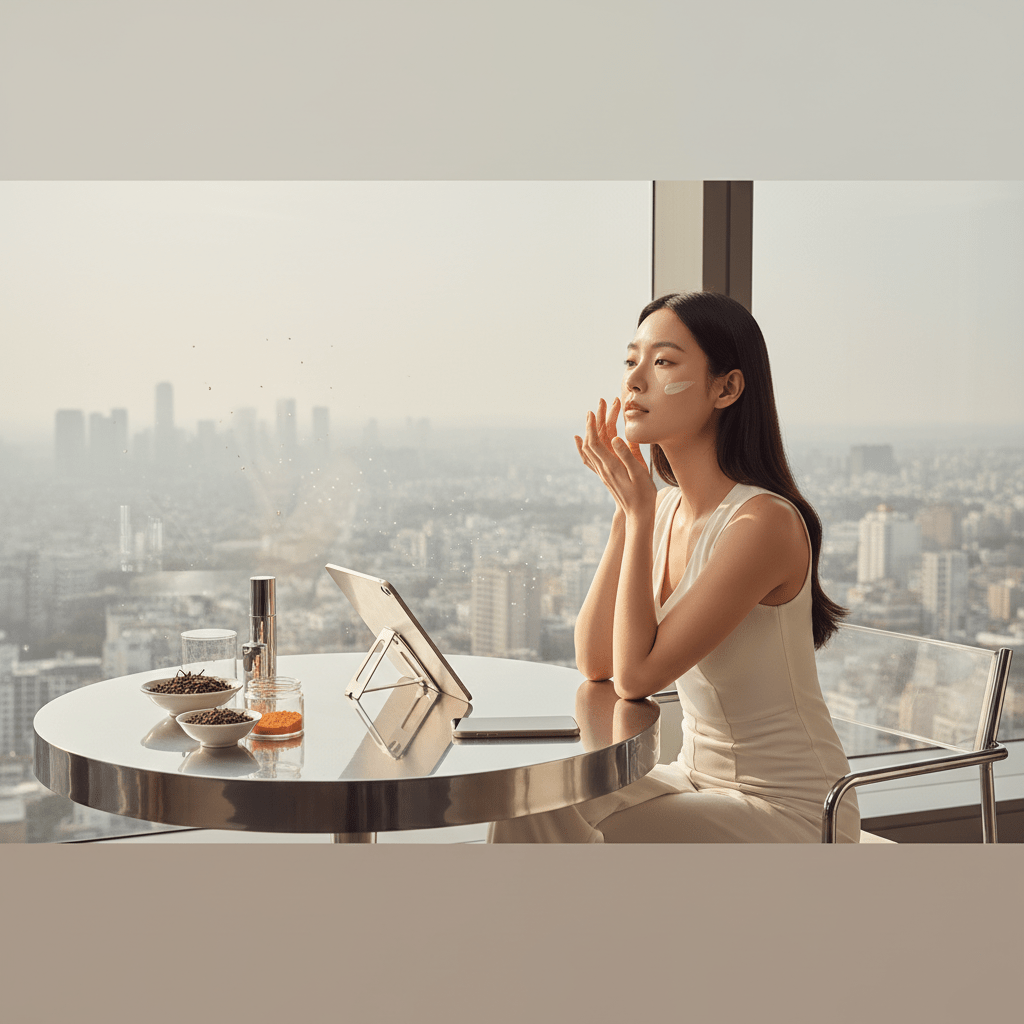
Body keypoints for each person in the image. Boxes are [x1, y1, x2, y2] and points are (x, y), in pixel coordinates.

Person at [488, 291, 860, 843]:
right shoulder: (662, 509)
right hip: (695, 779)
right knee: (527, 799)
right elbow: (596, 662)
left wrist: (637, 515)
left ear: (726, 388)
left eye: (662, 362)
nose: (635, 380)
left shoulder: (762, 525)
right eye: (631, 360)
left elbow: (638, 677)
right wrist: (626, 516)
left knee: (577, 831)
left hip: (795, 811)